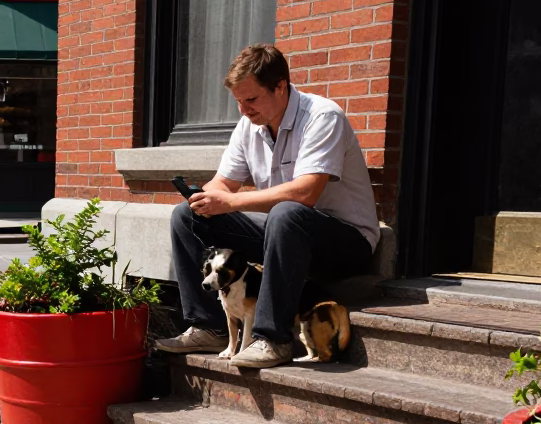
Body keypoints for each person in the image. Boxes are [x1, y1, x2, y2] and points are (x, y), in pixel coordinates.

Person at [154, 43, 379, 369]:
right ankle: (210, 326)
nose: (243, 110)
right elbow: (223, 183)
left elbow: (306, 194)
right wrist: (203, 198)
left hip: (344, 244)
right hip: (282, 235)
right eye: (238, 102)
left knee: (287, 212)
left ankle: (273, 339)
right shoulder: (250, 125)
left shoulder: (322, 116)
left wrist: (229, 201)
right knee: (186, 216)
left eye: (251, 99)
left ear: (280, 86)